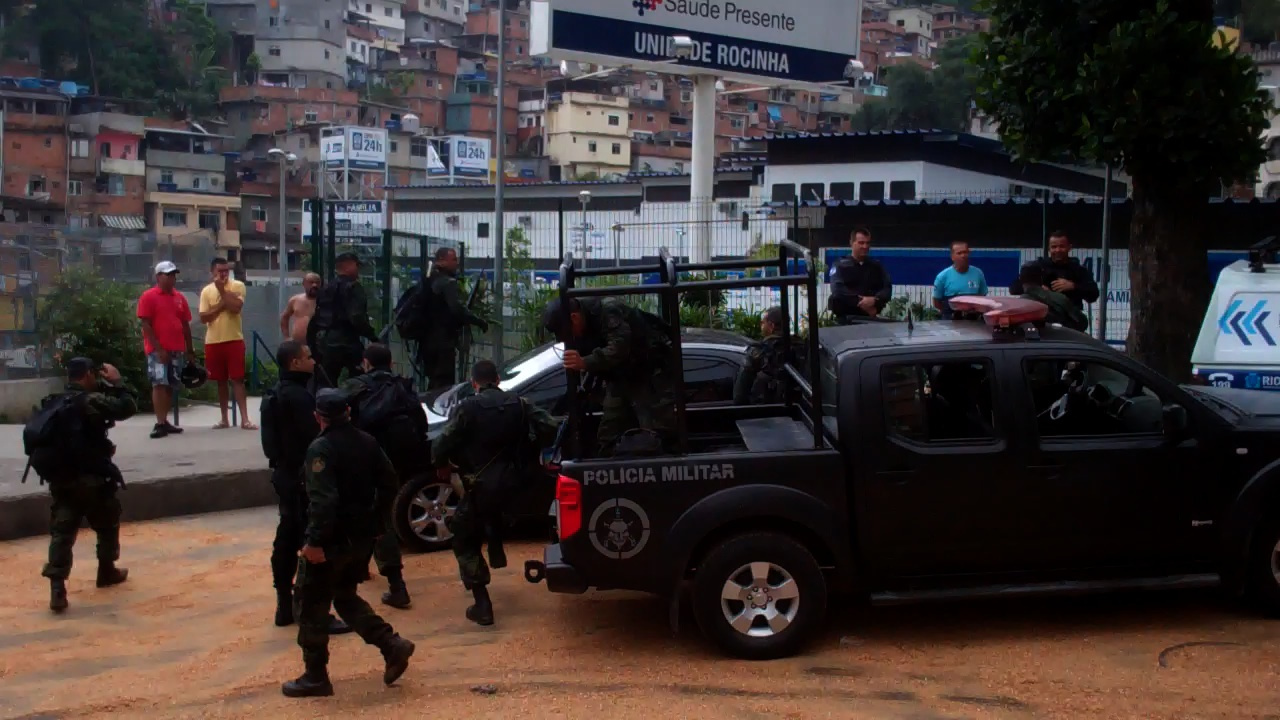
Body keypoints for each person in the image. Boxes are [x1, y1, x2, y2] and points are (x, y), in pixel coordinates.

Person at [284, 388, 415, 698]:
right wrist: (379, 524)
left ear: (318, 417)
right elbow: (390, 483)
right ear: (349, 413)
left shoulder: (321, 449)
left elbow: (323, 501)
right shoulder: (367, 442)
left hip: (330, 543)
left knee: (309, 604)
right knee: (344, 596)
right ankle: (391, 644)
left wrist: (315, 542)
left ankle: (316, 675)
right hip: (361, 540)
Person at [431, 360, 561, 626]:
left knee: (463, 537)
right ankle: (496, 549)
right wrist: (531, 447)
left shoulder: (468, 408)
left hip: (481, 486)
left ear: (473, 382)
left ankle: (482, 603)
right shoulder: (520, 403)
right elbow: (550, 427)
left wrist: (442, 464)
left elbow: (442, 443)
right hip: (517, 485)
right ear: (498, 379)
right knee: (492, 518)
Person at [31, 358, 136, 613]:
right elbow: (127, 407)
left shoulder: (54, 402)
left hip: (62, 479)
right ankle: (106, 570)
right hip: (91, 478)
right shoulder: (89, 401)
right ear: (88, 374)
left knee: (62, 532)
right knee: (108, 521)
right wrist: (116, 381)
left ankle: (57, 588)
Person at [259, 340, 350, 634]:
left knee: (286, 538)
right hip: (303, 478)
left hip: (284, 475)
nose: (314, 361)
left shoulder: (272, 396)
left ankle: (284, 603)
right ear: (295, 363)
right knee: (314, 543)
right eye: (308, 357)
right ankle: (314, 611)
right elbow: (316, 439)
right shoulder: (301, 398)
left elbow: (269, 446)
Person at [343, 343, 429, 611]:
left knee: (370, 521)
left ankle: (395, 585)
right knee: (380, 515)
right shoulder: (402, 386)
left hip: (363, 460)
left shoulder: (354, 387)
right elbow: (420, 423)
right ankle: (363, 572)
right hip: (397, 461)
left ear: (365, 363)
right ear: (390, 364)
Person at [542, 296, 677, 456]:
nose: (569, 337)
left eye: (566, 332)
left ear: (575, 317)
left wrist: (585, 362)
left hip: (649, 376)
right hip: (620, 379)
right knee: (608, 435)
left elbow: (619, 347)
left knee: (655, 436)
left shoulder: (608, 311)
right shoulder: (585, 328)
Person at [137, 261, 193, 439]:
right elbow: (146, 324)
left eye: (173, 275)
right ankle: (159, 422)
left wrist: (190, 349)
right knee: (159, 383)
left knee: (170, 384)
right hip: (157, 349)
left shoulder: (179, 298)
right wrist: (158, 348)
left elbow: (185, 324)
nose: (172, 278)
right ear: (158, 276)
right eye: (168, 275)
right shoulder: (149, 296)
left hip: (176, 347)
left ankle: (165, 420)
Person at [199, 257, 256, 431]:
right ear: (212, 272)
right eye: (220, 271)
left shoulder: (237, 286)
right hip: (214, 340)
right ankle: (224, 418)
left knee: (237, 379)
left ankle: (245, 419)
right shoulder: (206, 291)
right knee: (220, 381)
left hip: (234, 338)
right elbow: (204, 317)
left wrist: (222, 292)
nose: (223, 274)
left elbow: (236, 307)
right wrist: (222, 305)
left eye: (226, 270)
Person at [422, 247, 488, 391]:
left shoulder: (429, 279)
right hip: (442, 342)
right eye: (453, 259)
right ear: (442, 261)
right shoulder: (447, 282)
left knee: (433, 381)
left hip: (426, 341)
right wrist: (478, 321)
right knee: (443, 385)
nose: (456, 263)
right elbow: (456, 309)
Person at [309, 253, 378, 388]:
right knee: (360, 381)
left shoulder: (326, 288)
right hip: (348, 342)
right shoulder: (353, 287)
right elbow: (357, 318)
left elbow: (316, 317)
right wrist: (373, 337)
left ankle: (326, 407)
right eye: (357, 265)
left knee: (326, 383)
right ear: (348, 266)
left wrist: (313, 343)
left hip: (327, 342)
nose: (358, 270)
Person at [1008, 230, 1100, 310]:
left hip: (1070, 319)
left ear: (1069, 247)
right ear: (1049, 249)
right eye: (1054, 247)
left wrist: (1073, 286)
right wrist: (1037, 289)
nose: (1058, 250)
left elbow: (1093, 294)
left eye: (1062, 246)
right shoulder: (1038, 266)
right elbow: (1014, 288)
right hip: (1043, 316)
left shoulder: (1079, 270)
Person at [828, 227, 892, 321]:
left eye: (867, 243)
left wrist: (875, 300)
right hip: (845, 321)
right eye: (861, 243)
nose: (865, 246)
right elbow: (837, 290)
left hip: (870, 320)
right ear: (851, 243)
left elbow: (887, 289)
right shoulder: (840, 265)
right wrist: (862, 303)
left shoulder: (876, 266)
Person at [734, 306, 793, 405]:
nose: (761, 326)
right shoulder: (800, 347)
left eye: (763, 323)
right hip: (797, 411)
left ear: (771, 326)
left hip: (764, 412)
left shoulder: (758, 351)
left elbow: (740, 395)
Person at [1016, 262, 1090, 332]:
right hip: (1061, 341)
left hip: (1029, 342)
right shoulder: (1059, 298)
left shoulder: (1017, 306)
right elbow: (1083, 322)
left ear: (1021, 279)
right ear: (1041, 278)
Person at [932, 241, 989, 318]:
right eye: (959, 253)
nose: (963, 255)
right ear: (952, 257)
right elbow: (937, 302)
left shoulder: (978, 274)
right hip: (950, 321)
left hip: (973, 322)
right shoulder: (942, 276)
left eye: (965, 252)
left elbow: (982, 296)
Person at [281, 273, 322, 345]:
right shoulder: (295, 300)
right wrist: (286, 337)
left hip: (320, 345)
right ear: (304, 284)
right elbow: (285, 317)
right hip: (298, 345)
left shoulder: (325, 301)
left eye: (317, 282)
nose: (314, 285)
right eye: (311, 282)